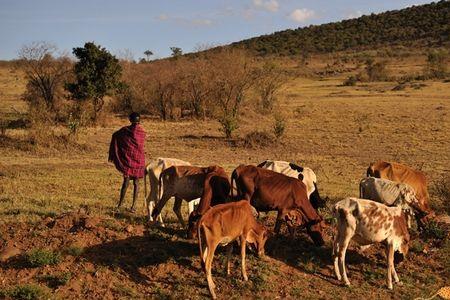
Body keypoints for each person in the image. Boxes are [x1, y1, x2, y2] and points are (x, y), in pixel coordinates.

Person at [108, 112, 146, 212]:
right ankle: (134, 206)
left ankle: (120, 205)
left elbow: (115, 135)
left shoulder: (125, 131)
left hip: (128, 160)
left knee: (126, 182)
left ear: (130, 120)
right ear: (139, 120)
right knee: (136, 183)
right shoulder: (142, 132)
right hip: (139, 159)